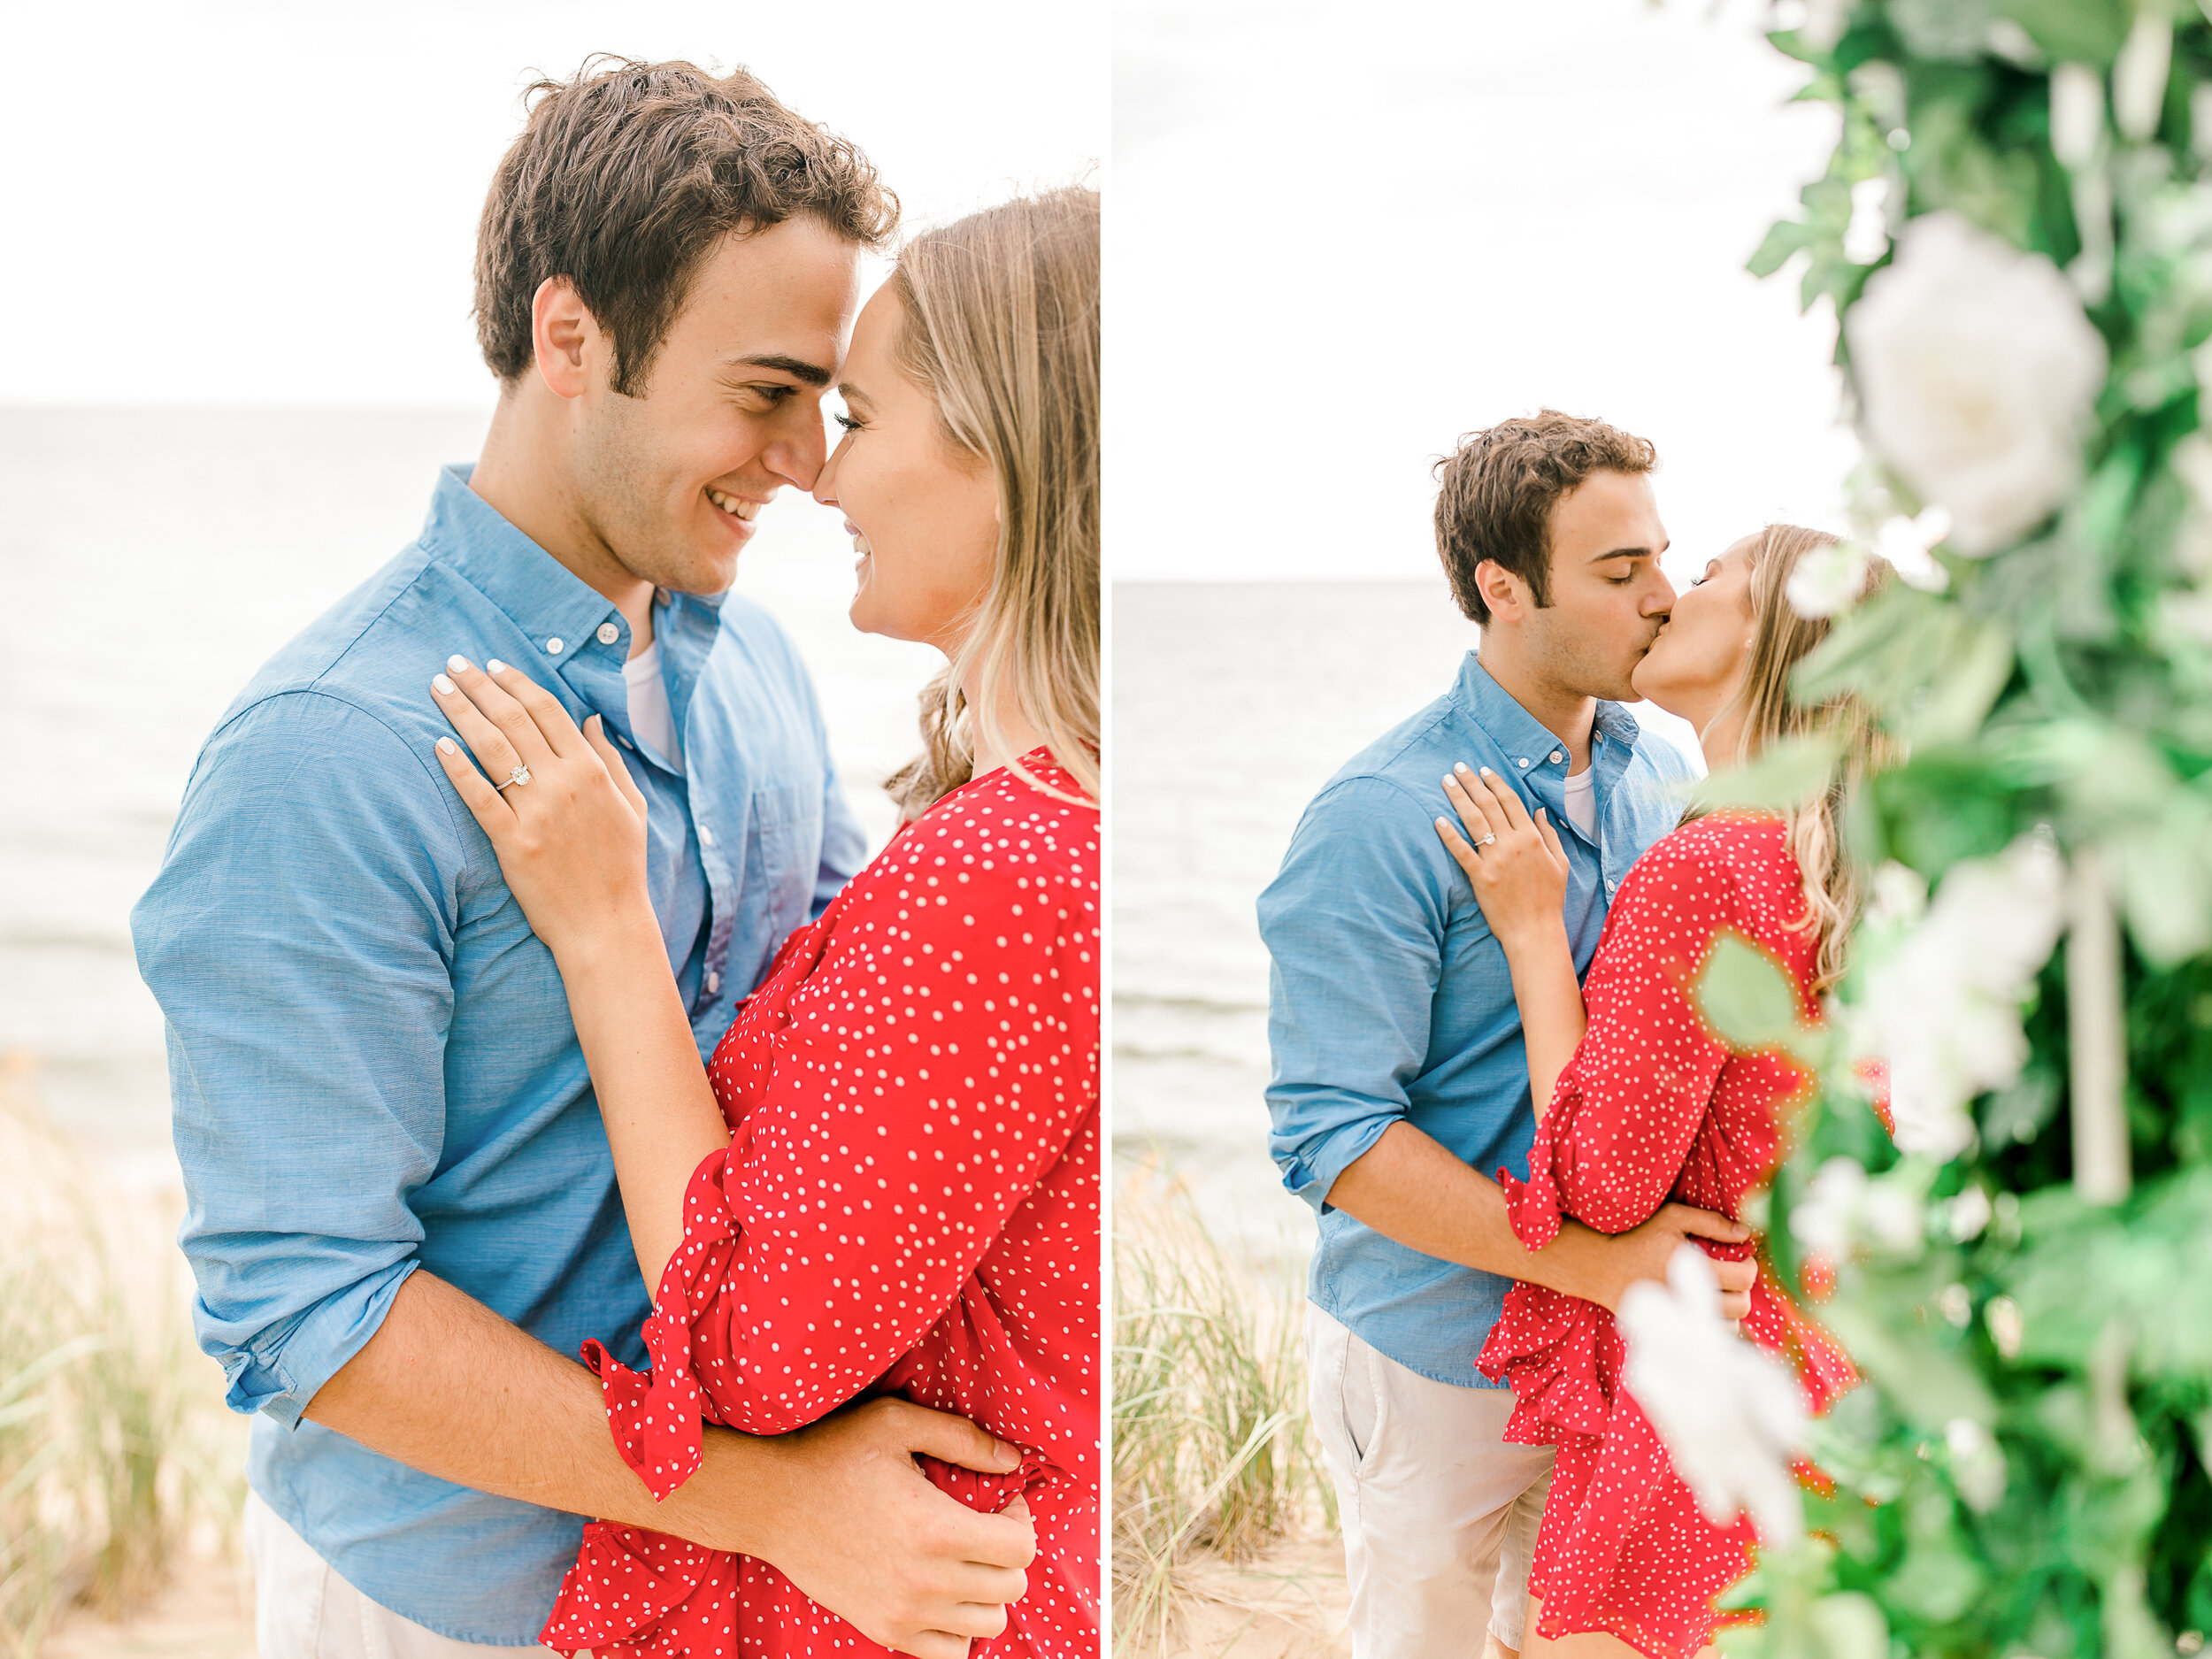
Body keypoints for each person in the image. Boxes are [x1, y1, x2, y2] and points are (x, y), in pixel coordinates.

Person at [133, 60, 1036, 1656]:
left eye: (830, 402)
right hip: (453, 1599)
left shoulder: (751, 665)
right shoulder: (322, 752)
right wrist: (765, 1499)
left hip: (733, 1593)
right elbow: (308, 1311)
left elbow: (829, 1071)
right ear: (572, 339)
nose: (810, 460)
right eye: (765, 392)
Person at [424, 185, 1100, 1659]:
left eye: (855, 417)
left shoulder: (1006, 869)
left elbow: (742, 1355)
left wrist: (605, 927)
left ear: (1009, 454)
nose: (818, 476)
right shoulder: (1040, 827)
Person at [1258, 412, 1761, 1659]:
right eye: (1618, 570)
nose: (1659, 597)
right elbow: (1331, 1135)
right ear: (1503, 589)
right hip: (1439, 1354)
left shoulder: (1660, 779)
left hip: (1619, 1357)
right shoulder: (1379, 816)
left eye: (1663, 559)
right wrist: (1589, 1262)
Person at [1437, 525, 1883, 1659]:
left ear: (1778, 632)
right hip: (1821, 1366)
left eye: (1710, 574)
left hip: (1707, 1409)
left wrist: (1537, 935)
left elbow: (1597, 1185)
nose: (1670, 595)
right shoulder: (1832, 861)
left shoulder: (1706, 866)